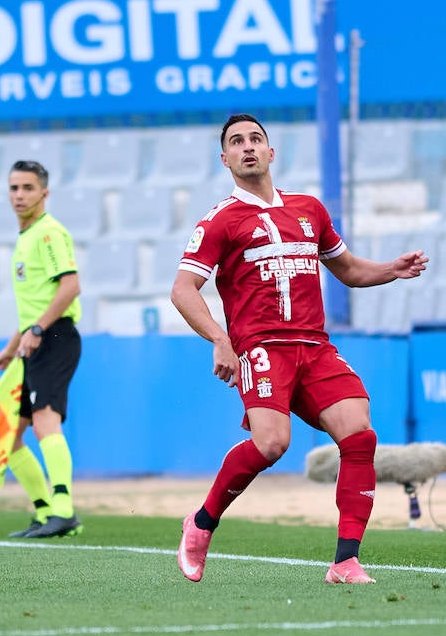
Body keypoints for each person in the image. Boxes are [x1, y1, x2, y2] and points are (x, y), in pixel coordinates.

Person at [171, 114, 428, 584]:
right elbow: (184, 289)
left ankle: (345, 560)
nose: (247, 147)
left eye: (255, 139)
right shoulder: (219, 222)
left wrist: (391, 268)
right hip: (262, 347)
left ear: (271, 152)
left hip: (314, 347)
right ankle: (202, 523)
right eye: (236, 142)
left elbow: (348, 270)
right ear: (224, 159)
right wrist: (220, 339)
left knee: (360, 435)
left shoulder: (309, 210)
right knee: (272, 444)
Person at [0, 160, 84, 539]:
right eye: (14, 188)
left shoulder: (49, 233)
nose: (19, 195)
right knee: (9, 437)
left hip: (56, 338)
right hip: (36, 341)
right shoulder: (25, 238)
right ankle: (46, 512)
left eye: (27, 188)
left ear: (44, 193)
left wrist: (40, 329)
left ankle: (64, 510)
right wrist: (12, 347)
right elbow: (32, 308)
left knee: (46, 424)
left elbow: (70, 287)